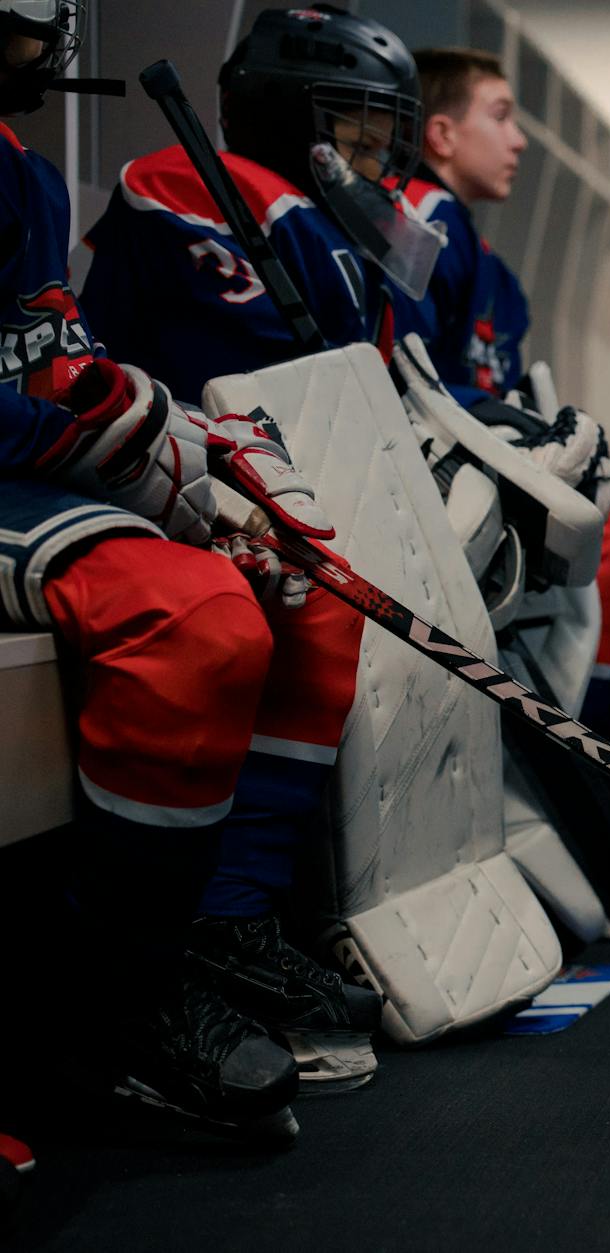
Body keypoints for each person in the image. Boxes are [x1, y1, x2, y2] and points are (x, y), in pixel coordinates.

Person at [0, 0, 373, 1139]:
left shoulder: (21, 171)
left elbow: (49, 353)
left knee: (309, 578)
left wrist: (194, 444)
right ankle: (118, 999)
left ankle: (224, 918)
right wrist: (102, 440)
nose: (40, 42)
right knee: (194, 617)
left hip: (17, 469)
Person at [78, 4, 434, 1090]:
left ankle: (251, 915)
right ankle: (209, 930)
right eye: (351, 127)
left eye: (383, 132)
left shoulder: (330, 218)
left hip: (247, 474)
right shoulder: (191, 185)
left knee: (331, 605)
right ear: (283, 113)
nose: (370, 154)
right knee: (288, 604)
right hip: (149, 476)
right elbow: (232, 372)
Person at [407, 46, 610, 744]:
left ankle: (607, 760)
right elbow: (407, 379)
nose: (519, 138)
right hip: (437, 473)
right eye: (500, 116)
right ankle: (584, 761)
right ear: (440, 134)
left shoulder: (479, 251)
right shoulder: (421, 221)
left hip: (484, 457)